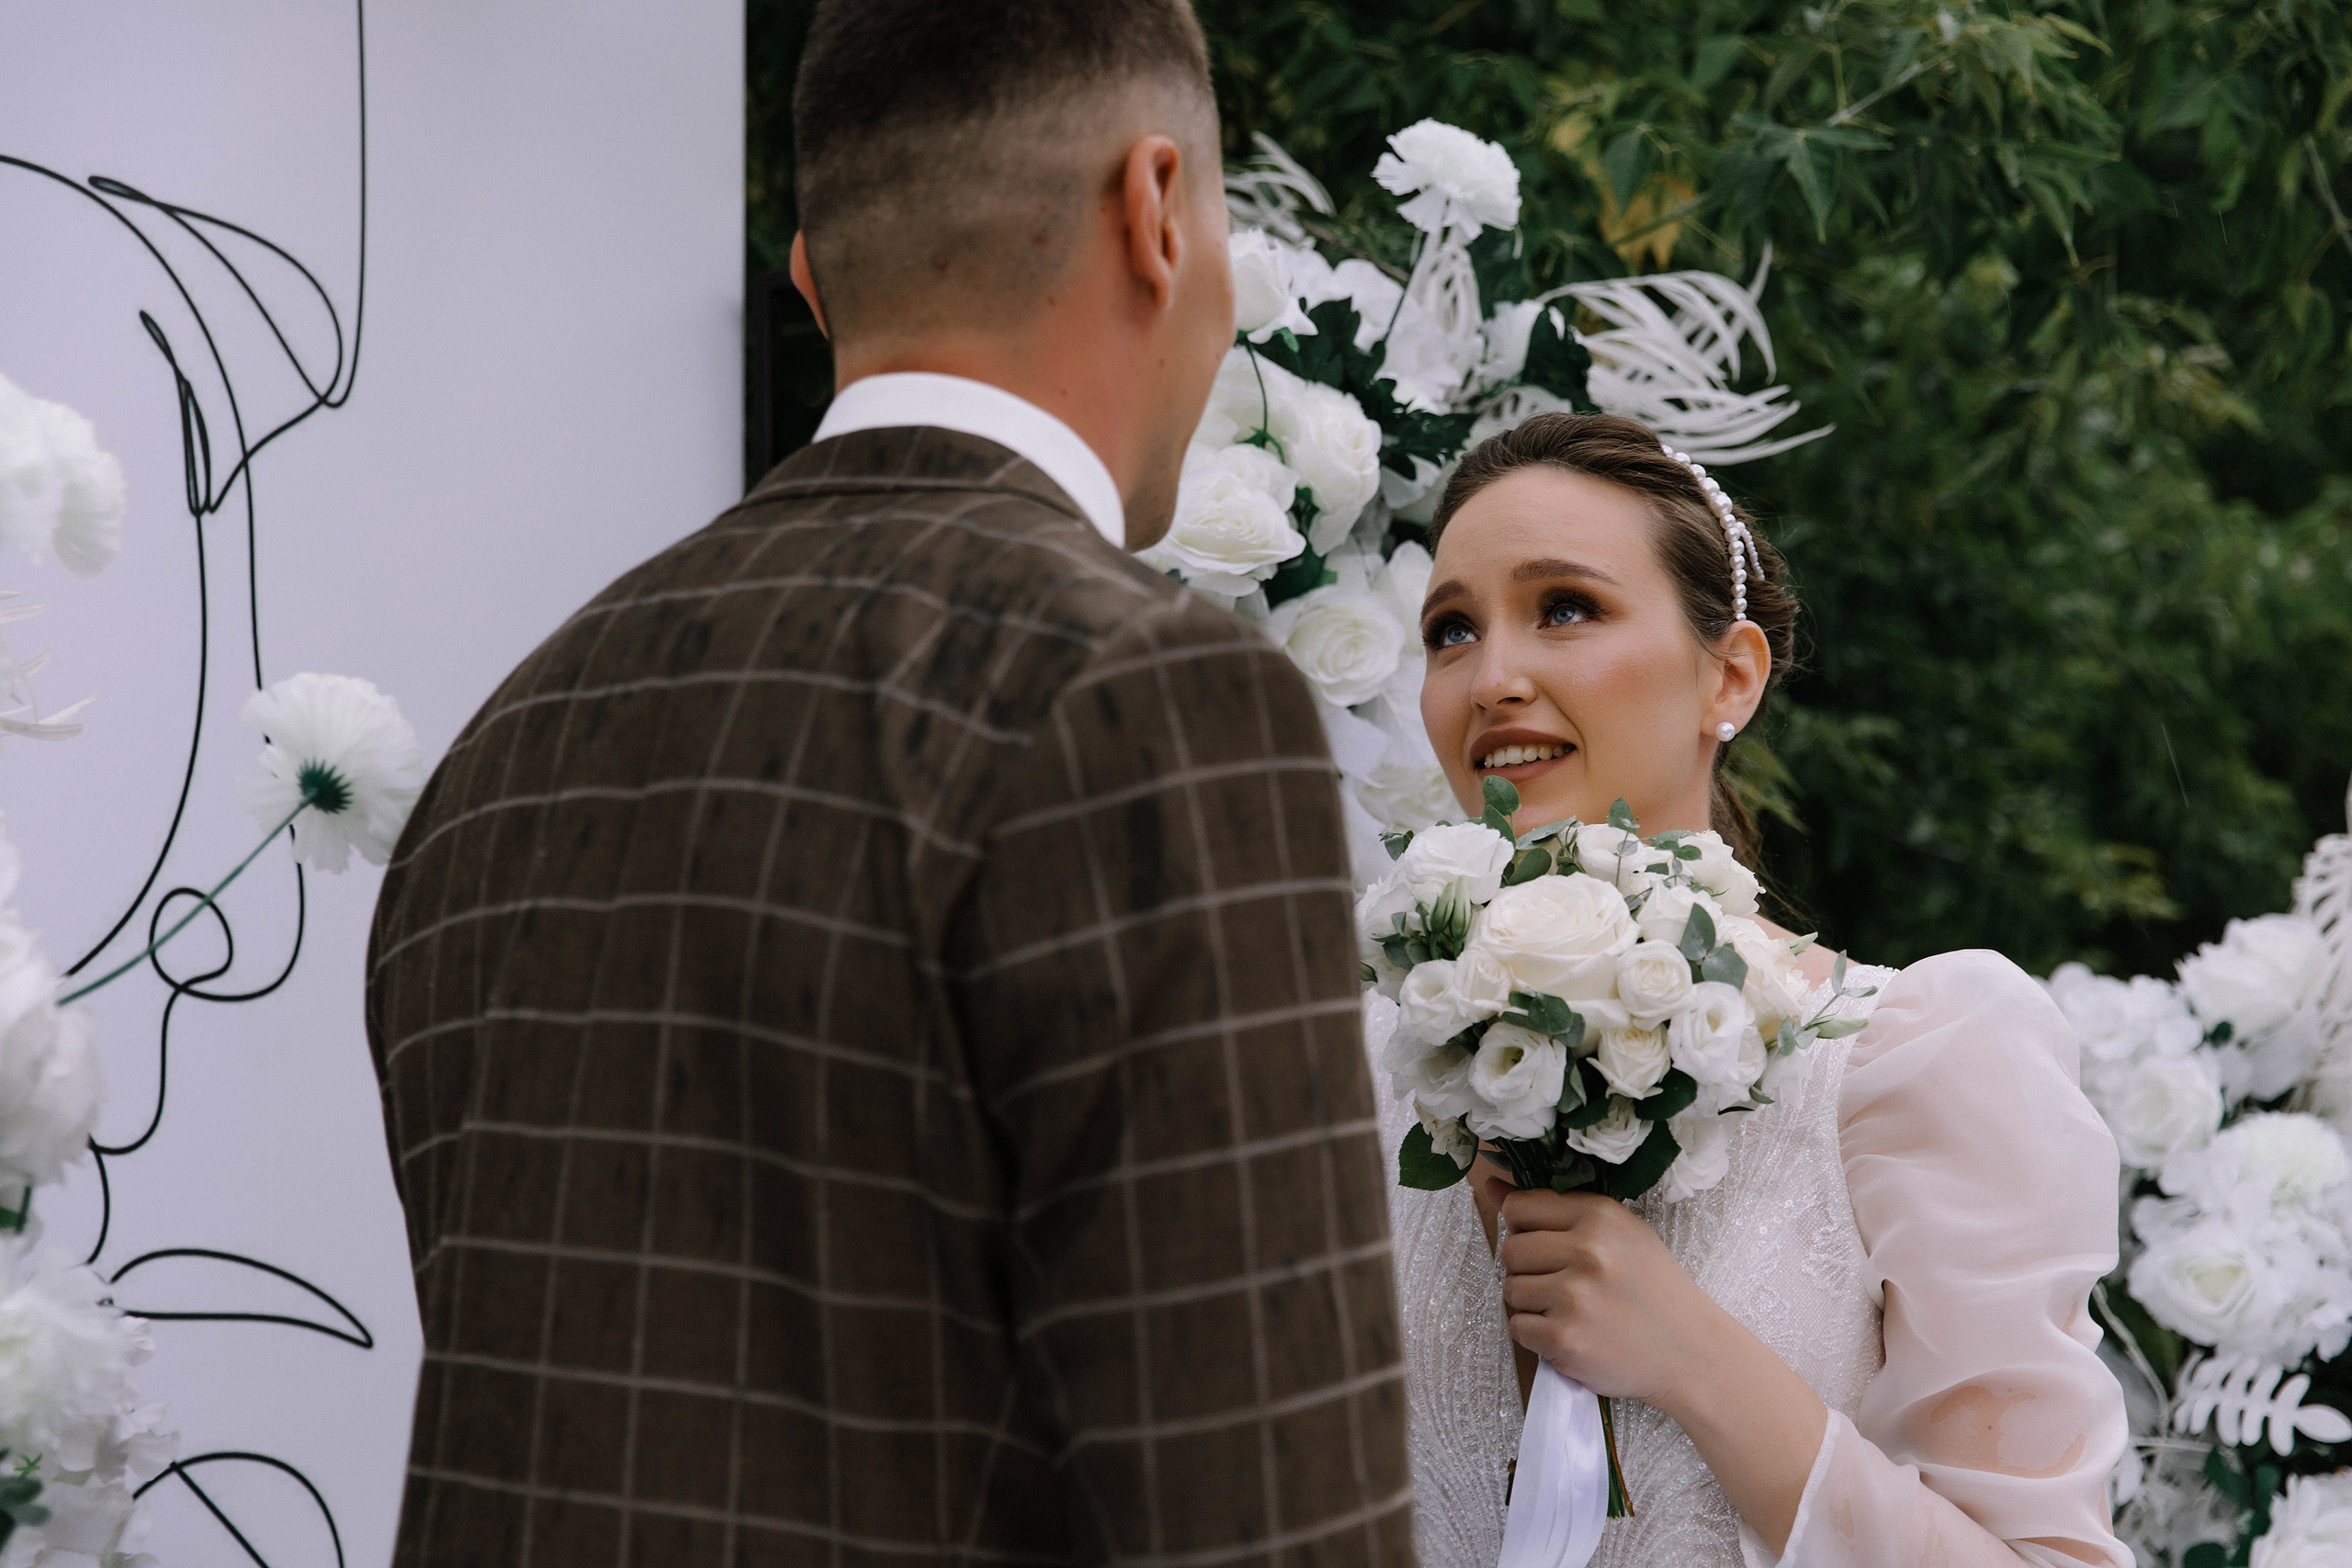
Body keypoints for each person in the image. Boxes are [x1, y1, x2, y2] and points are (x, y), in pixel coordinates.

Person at [363, 1, 1414, 1561]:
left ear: (811, 281)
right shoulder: (1145, 698)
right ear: (1156, 211)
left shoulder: (510, 742)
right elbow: (1266, 1510)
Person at [1383, 412, 2131, 1568]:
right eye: (1450, 630)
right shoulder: (1361, 1072)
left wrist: (1694, 1356)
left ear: (1728, 675)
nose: (1492, 678)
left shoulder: (1917, 1060)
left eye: (1565, 607)